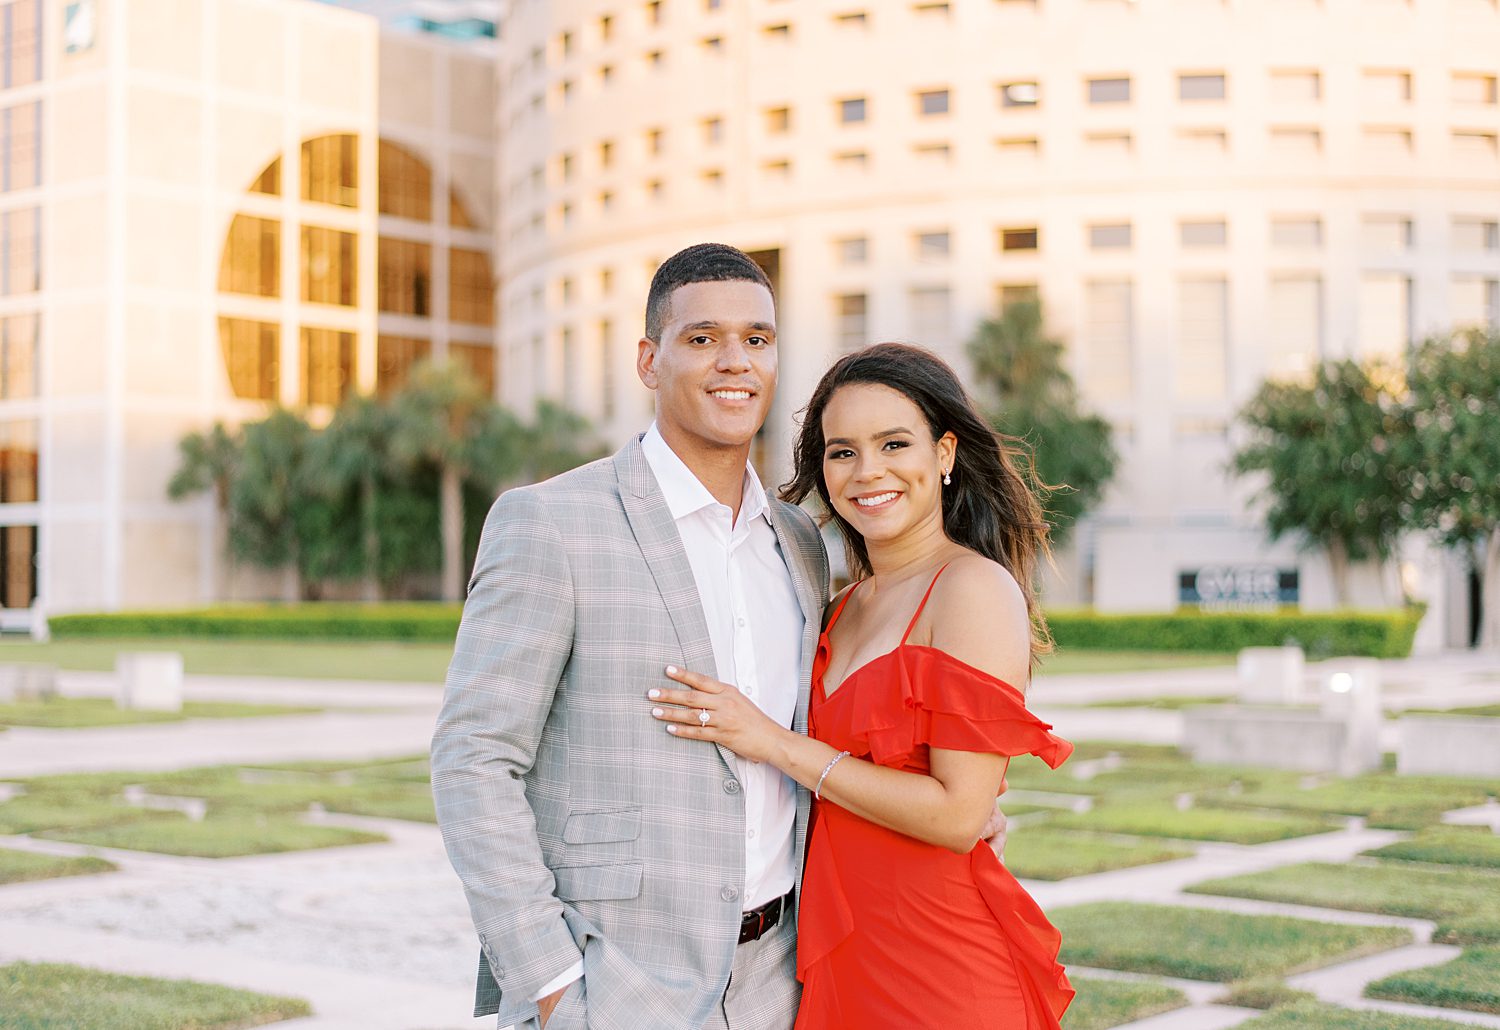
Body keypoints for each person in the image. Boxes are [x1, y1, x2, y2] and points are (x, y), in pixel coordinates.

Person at [431, 242, 829, 1030]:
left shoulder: (801, 543)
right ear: (650, 361)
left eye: (757, 339)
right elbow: (472, 756)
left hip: (780, 982)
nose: (734, 362)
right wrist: (549, 984)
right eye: (702, 337)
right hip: (615, 987)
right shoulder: (550, 522)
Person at [649, 342, 1076, 1029]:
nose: (866, 470)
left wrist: (773, 743)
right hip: (841, 955)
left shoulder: (971, 588)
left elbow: (959, 817)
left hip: (939, 962)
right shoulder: (840, 602)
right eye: (842, 450)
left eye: (894, 443)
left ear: (943, 455)